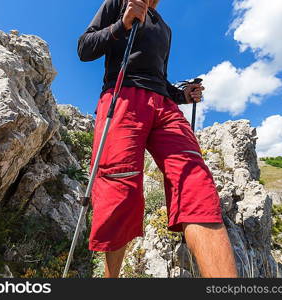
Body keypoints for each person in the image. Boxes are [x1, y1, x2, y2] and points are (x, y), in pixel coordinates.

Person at [78, 0, 238, 278]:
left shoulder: (165, 27)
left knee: (195, 179)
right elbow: (84, 48)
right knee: (120, 187)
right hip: (123, 96)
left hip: (164, 106)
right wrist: (122, 24)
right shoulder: (117, 3)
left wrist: (183, 95)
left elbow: (160, 78)